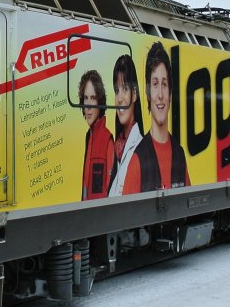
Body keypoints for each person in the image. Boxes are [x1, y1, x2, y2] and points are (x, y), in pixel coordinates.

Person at [120, 42, 190, 193]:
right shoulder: (137, 160)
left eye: (164, 84)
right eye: (155, 84)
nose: (160, 95)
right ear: (148, 93)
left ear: (170, 93)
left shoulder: (180, 155)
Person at [107, 54, 145, 196]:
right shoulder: (117, 147)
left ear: (134, 95)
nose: (120, 99)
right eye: (117, 91)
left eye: (125, 89)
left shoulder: (141, 147)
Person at [79, 70, 114, 200]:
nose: (87, 106)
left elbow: (109, 193)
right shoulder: (89, 137)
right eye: (85, 98)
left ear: (100, 102)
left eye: (93, 98)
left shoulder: (107, 140)